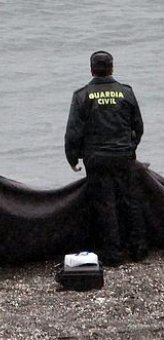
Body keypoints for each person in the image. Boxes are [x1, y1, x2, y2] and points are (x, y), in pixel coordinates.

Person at [65, 50, 146, 265]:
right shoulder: (126, 92)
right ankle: (138, 250)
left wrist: (72, 158)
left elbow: (74, 131)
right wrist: (131, 148)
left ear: (92, 70)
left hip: (97, 158)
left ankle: (113, 254)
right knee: (130, 202)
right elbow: (138, 126)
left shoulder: (82, 95)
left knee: (105, 205)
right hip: (123, 156)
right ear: (112, 68)